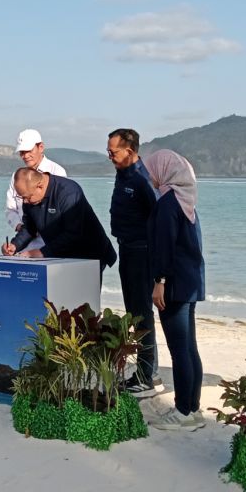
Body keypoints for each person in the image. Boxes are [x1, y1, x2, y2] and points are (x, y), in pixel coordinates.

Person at [144, 149, 207, 431]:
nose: (150, 175)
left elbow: (165, 246)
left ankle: (182, 411)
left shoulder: (168, 203)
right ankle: (192, 408)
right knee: (189, 347)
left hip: (173, 285)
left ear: (164, 170)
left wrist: (160, 281)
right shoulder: (186, 201)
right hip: (189, 282)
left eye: (152, 170)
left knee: (179, 349)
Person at [106, 128, 161, 398]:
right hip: (126, 248)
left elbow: (158, 218)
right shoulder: (123, 173)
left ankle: (145, 376)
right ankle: (148, 370)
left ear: (129, 151)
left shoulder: (142, 178)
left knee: (141, 314)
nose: (109, 156)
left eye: (113, 152)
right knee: (133, 311)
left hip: (141, 252)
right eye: (108, 152)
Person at [3, 167, 116, 275]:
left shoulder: (68, 192)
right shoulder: (29, 196)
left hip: (89, 253)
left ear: (40, 186)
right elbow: (30, 228)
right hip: (61, 253)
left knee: (81, 289)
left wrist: (42, 252)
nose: (25, 202)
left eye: (27, 197)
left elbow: (73, 233)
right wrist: (15, 245)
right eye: (21, 197)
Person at [6, 129, 67, 252]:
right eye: (22, 152)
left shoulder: (57, 172)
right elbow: (10, 209)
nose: (25, 156)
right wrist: (20, 227)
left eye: (29, 151)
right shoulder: (17, 176)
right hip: (24, 244)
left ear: (41, 147)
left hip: (50, 245)